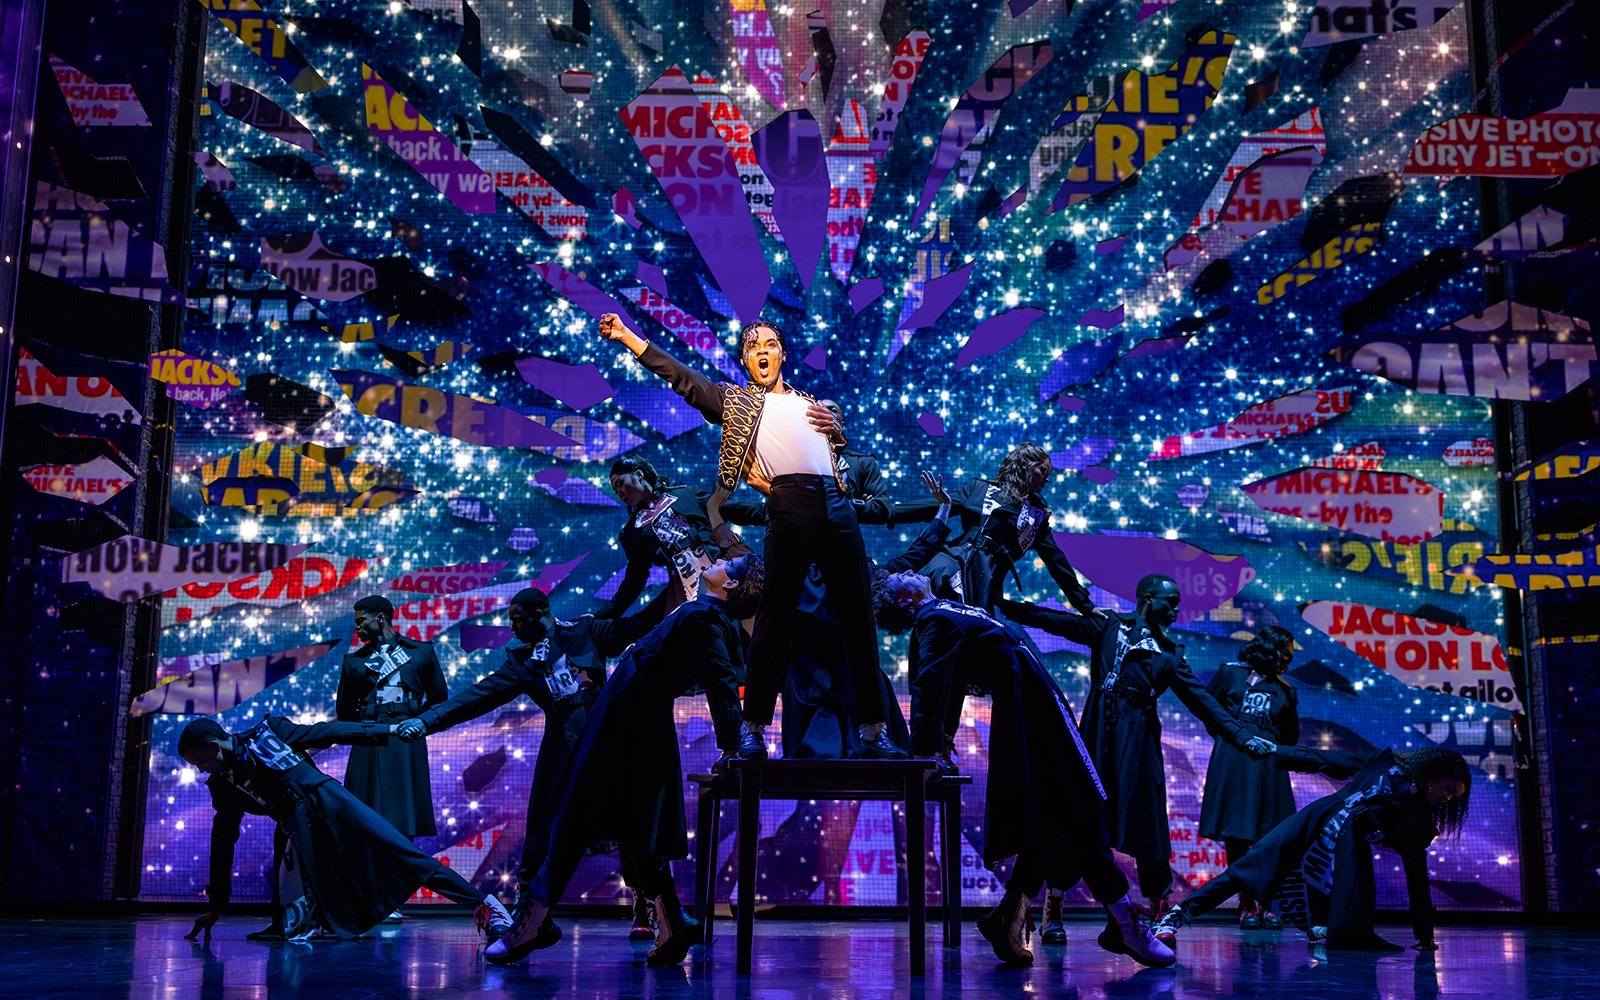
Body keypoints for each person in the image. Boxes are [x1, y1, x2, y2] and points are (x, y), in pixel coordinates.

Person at [598, 312, 903, 759]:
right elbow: (684, 379)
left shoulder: (807, 401)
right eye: (753, 347)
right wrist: (628, 336)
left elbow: (829, 450)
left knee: (857, 616)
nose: (762, 351)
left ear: (782, 354)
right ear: (745, 360)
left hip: (837, 503)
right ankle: (754, 728)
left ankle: (874, 732)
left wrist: (836, 435)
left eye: (770, 344)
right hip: (790, 499)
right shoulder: (737, 401)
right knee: (774, 615)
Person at [873, 568, 1174, 968]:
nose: (911, 570)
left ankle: (1009, 917)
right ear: (905, 600)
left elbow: (952, 680)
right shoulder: (934, 621)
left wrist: (940, 737)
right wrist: (925, 751)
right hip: (1033, 716)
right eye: (902, 577)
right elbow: (930, 682)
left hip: (1039, 707)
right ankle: (1124, 922)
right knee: (1082, 809)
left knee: (1056, 819)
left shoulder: (945, 610)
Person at [485, 554, 765, 966]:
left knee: (575, 814)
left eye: (729, 562)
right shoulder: (703, 612)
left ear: (732, 585)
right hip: (631, 719)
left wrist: (732, 743)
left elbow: (720, 679)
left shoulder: (705, 617)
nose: (720, 558)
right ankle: (671, 922)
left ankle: (534, 920)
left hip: (628, 723)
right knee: (632, 827)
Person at [394, 586, 674, 942]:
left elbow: (637, 624)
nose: (513, 628)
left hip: (608, 742)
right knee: (542, 830)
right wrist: (427, 720)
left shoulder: (585, 630)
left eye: (518, 620)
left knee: (632, 827)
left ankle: (649, 905)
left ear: (541, 614)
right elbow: (477, 697)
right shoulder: (522, 661)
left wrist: (675, 583)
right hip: (561, 751)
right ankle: (532, 915)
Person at [996, 574, 1273, 912]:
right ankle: (1054, 904)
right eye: (1170, 602)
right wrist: (1005, 606)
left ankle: (1158, 906)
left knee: (1146, 819)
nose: (1176, 609)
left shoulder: (1170, 654)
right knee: (1079, 814)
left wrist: (1243, 738)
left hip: (1139, 743)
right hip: (1098, 733)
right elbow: (1056, 621)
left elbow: (1204, 703)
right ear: (1147, 598)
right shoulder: (1109, 626)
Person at [177, 714, 511, 942]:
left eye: (200, 761)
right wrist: (216, 905)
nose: (202, 770)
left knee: (405, 856)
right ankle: (295, 926)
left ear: (214, 746)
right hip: (296, 825)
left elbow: (327, 732)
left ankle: (488, 907)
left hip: (331, 804)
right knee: (296, 882)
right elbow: (223, 837)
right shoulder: (222, 783)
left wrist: (388, 730)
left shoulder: (268, 732)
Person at [1153, 745, 1471, 952]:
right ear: (1433, 774)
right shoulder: (1386, 762)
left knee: (1326, 903)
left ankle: (1321, 927)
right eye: (1447, 789)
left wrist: (1425, 934)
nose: (1446, 798)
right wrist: (1277, 752)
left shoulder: (1418, 824)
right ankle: (1175, 918)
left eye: (1453, 798)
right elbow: (1331, 759)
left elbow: (1417, 879)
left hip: (1340, 853)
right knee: (1248, 867)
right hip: (1314, 820)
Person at [890, 444, 1098, 617]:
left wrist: (1086, 606)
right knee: (940, 592)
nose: (1047, 478)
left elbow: (1057, 562)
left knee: (974, 633)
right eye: (1043, 471)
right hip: (952, 559)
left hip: (986, 578)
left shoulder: (1036, 516)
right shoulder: (980, 489)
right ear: (1025, 465)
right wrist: (884, 512)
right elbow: (928, 507)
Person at [1198, 625, 1300, 931]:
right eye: (1285, 652)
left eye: (1290, 655)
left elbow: (1291, 736)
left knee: (1269, 834)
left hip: (1269, 767)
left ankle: (1268, 902)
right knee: (1238, 831)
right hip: (1234, 762)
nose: (1288, 659)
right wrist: (1231, 741)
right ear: (1270, 647)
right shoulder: (1230, 673)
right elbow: (1208, 710)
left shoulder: (1285, 690)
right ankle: (1247, 903)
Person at [336, 596, 447, 850]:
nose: (357, 627)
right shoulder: (354, 662)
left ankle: (402, 869)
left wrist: (419, 722)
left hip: (406, 741)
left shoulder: (420, 652)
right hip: (368, 741)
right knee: (363, 813)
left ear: (380, 618)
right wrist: (365, 728)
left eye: (361, 621)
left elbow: (439, 697)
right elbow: (345, 709)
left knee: (404, 815)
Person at [594, 455, 736, 620]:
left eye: (620, 484)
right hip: (687, 593)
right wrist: (599, 617)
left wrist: (764, 509)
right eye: (616, 491)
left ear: (639, 475)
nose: (620, 493)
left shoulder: (685, 495)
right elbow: (633, 582)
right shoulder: (633, 533)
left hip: (727, 577)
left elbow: (733, 509)